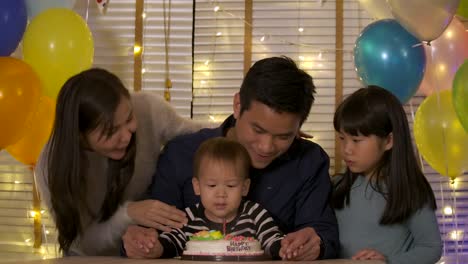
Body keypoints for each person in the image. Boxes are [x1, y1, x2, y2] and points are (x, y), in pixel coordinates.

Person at [123, 56, 339, 260]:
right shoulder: (181, 154)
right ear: (237, 106)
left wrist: (316, 244)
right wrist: (139, 240)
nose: (266, 146)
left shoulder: (309, 161)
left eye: (283, 136)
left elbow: (324, 234)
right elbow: (153, 233)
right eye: (258, 129)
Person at [35, 68, 202, 255]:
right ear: (79, 136)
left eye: (129, 118)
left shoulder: (147, 108)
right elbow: (81, 243)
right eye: (110, 132)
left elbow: (198, 136)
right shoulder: (51, 165)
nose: (126, 137)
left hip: (144, 251)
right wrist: (129, 214)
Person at [332, 86, 442, 263]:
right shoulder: (336, 186)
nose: (347, 149)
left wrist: (388, 262)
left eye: (356, 140)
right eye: (342, 138)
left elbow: (431, 247)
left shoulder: (409, 190)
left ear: (389, 141)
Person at [124, 137, 285, 259]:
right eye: (212, 186)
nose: (221, 194)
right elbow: (170, 242)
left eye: (230, 186)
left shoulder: (256, 214)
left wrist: (285, 248)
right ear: (197, 186)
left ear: (244, 187)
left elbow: (272, 241)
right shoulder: (188, 218)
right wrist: (155, 248)